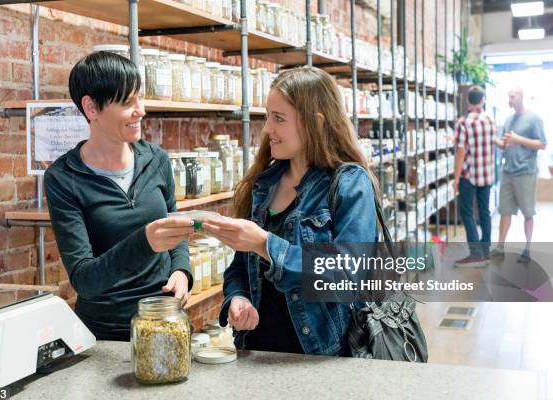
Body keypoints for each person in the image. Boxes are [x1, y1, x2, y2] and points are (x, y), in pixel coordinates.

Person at [203, 66, 378, 356]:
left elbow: (347, 277)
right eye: (268, 117)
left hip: (321, 360)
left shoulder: (349, 184)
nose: (268, 129)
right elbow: (240, 269)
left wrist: (264, 243)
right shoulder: (264, 184)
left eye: (279, 119)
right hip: (257, 354)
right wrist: (238, 299)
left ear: (316, 123)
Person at [44, 52, 194, 341]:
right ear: (91, 108)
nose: (141, 111)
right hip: (103, 335)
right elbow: (84, 280)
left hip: (165, 321)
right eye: (128, 103)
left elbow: (176, 228)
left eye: (140, 98)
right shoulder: (64, 178)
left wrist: (181, 271)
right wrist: (145, 241)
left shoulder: (156, 160)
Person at [492, 87, 547, 263]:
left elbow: (542, 144)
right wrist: (492, 137)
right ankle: (500, 247)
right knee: (505, 211)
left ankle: (527, 249)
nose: (510, 99)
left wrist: (519, 140)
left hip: (525, 173)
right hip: (507, 172)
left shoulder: (533, 119)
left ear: (521, 97)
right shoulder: (508, 120)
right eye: (508, 96)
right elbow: (504, 144)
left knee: (527, 212)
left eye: (513, 96)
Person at [452, 86, 500, 268]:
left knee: (466, 212)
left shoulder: (463, 122)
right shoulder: (490, 120)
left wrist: (456, 179)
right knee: (485, 211)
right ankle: (485, 250)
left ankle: (475, 253)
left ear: (468, 101)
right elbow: (493, 143)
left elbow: (461, 152)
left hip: (469, 175)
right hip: (486, 174)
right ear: (482, 100)